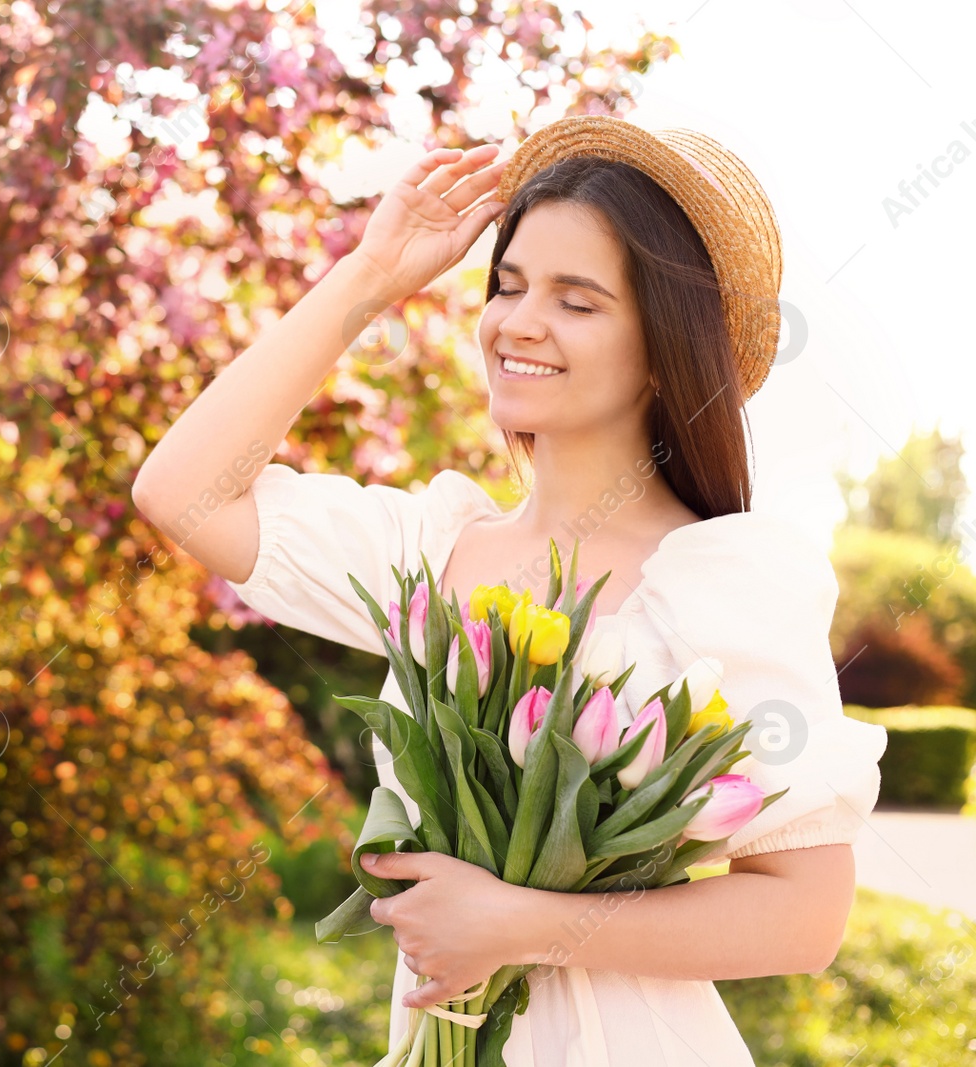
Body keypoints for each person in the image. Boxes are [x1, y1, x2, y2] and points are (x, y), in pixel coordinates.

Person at [130, 114, 887, 1065]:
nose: (518, 322)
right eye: (509, 285)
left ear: (664, 347)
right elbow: (181, 492)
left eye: (578, 299)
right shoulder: (430, 552)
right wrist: (372, 276)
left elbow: (805, 915)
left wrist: (526, 922)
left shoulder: (726, 579)